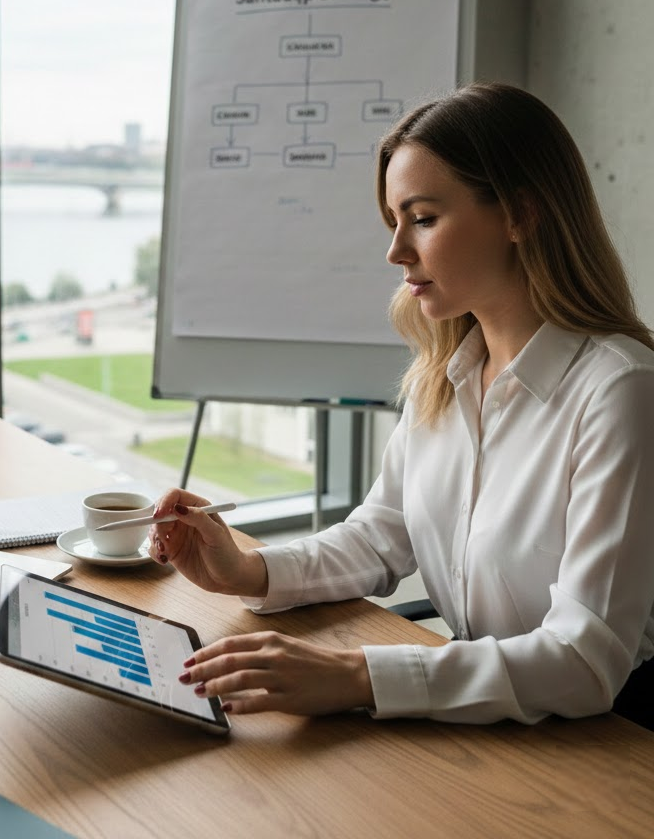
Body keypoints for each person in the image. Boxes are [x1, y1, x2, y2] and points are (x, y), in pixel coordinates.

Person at [149, 82, 654, 726]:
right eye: (395, 223)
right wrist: (245, 570)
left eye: (422, 218)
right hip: (482, 716)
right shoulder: (442, 377)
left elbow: (584, 662)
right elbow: (379, 538)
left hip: (610, 742)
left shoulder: (620, 390)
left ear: (520, 214)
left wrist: (355, 675)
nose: (396, 252)